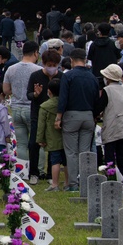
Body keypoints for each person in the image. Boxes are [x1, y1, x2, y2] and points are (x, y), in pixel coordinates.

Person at [56, 48, 101, 191]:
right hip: (88, 115)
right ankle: (86, 182)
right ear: (85, 59)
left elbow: (63, 98)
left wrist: (59, 117)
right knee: (85, 151)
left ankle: (73, 184)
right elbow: (96, 98)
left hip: (72, 115)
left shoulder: (68, 76)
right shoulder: (92, 77)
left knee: (71, 152)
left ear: (71, 60)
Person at [3, 44, 40, 183]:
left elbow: (6, 90)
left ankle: (23, 169)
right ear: (35, 53)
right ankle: (38, 170)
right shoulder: (38, 70)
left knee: (22, 143)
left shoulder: (11, 69)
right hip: (32, 108)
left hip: (17, 108)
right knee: (36, 142)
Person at [27, 49, 63, 182]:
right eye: (49, 64)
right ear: (43, 63)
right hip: (38, 113)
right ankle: (34, 173)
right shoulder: (35, 76)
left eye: (54, 65)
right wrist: (36, 94)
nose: (52, 68)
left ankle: (50, 174)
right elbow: (28, 95)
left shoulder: (62, 76)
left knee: (53, 144)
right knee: (34, 143)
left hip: (55, 114)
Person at [96, 64, 123, 186]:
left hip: (113, 126)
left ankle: (111, 180)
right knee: (122, 156)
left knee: (110, 157)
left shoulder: (108, 90)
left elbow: (100, 107)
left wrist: (95, 114)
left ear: (108, 78)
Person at [37, 79, 68, 191]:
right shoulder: (66, 103)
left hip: (52, 138)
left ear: (49, 91)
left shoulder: (44, 106)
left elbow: (41, 125)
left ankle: (55, 184)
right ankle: (67, 182)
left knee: (55, 161)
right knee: (66, 161)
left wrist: (40, 139)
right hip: (66, 137)